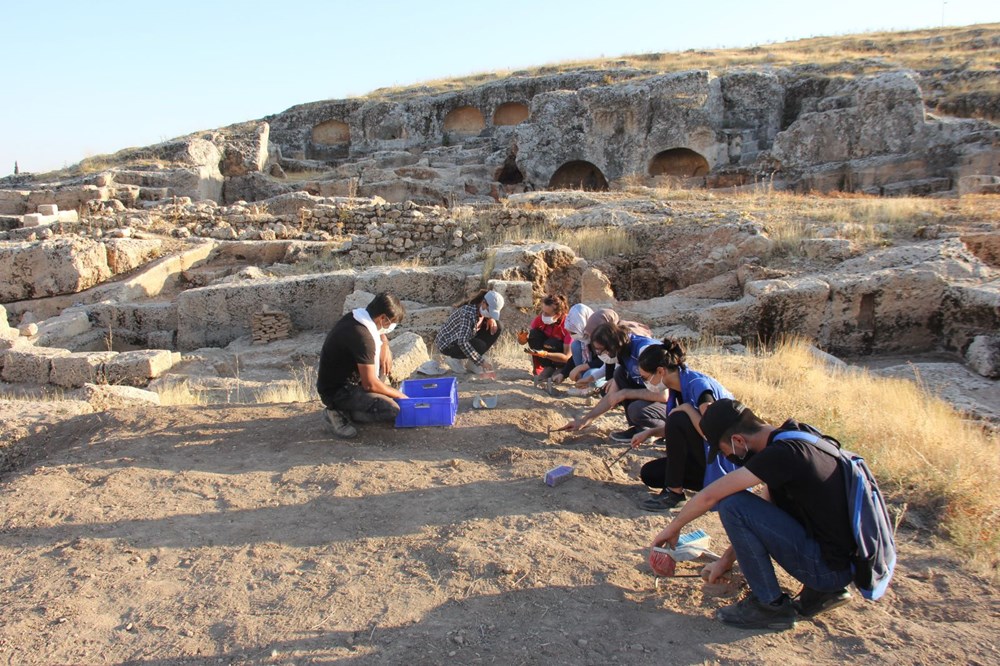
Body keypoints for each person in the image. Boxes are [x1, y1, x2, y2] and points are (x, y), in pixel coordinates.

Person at [651, 399, 856, 631]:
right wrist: (725, 561)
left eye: (726, 451)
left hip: (827, 570)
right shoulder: (796, 435)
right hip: (841, 564)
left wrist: (672, 528)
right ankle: (822, 592)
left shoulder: (780, 456)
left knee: (732, 503)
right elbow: (761, 521)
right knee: (742, 506)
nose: (728, 458)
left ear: (738, 440)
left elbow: (712, 496)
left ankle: (769, 606)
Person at [630, 339, 738, 512]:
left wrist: (687, 409)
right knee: (650, 474)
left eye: (645, 378)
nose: (645, 382)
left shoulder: (697, 384)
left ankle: (674, 494)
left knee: (679, 416)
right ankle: (698, 486)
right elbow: (682, 428)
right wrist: (650, 432)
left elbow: (713, 431)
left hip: (724, 460)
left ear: (660, 371)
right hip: (702, 455)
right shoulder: (677, 388)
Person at [316, 292, 408, 439]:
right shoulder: (364, 338)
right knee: (392, 409)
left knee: (383, 365)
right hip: (337, 391)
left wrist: (384, 343)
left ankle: (357, 407)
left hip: (348, 379)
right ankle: (336, 412)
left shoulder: (359, 318)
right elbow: (370, 384)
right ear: (383, 318)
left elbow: (378, 334)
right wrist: (400, 395)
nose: (392, 327)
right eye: (392, 322)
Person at [564, 321, 663, 442]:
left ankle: (661, 430)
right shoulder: (623, 353)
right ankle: (641, 427)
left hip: (678, 402)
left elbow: (664, 395)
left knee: (637, 409)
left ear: (612, 345)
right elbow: (611, 397)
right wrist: (584, 421)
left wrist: (626, 393)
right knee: (620, 374)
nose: (600, 354)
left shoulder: (645, 351)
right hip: (659, 400)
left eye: (601, 350)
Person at [435, 289, 504, 376]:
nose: (490, 314)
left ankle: (472, 362)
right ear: (483, 303)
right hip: (448, 345)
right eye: (490, 311)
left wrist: (491, 318)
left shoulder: (480, 310)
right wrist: (481, 362)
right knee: (480, 345)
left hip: (463, 338)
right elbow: (462, 342)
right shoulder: (468, 313)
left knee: (498, 326)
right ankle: (454, 359)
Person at [525, 294, 573, 384]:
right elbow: (529, 338)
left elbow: (567, 357)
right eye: (543, 312)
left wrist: (545, 354)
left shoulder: (568, 325)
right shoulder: (540, 319)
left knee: (551, 343)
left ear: (558, 314)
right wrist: (523, 338)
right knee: (534, 334)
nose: (543, 315)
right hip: (547, 353)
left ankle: (562, 369)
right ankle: (548, 367)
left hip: (562, 357)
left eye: (547, 313)